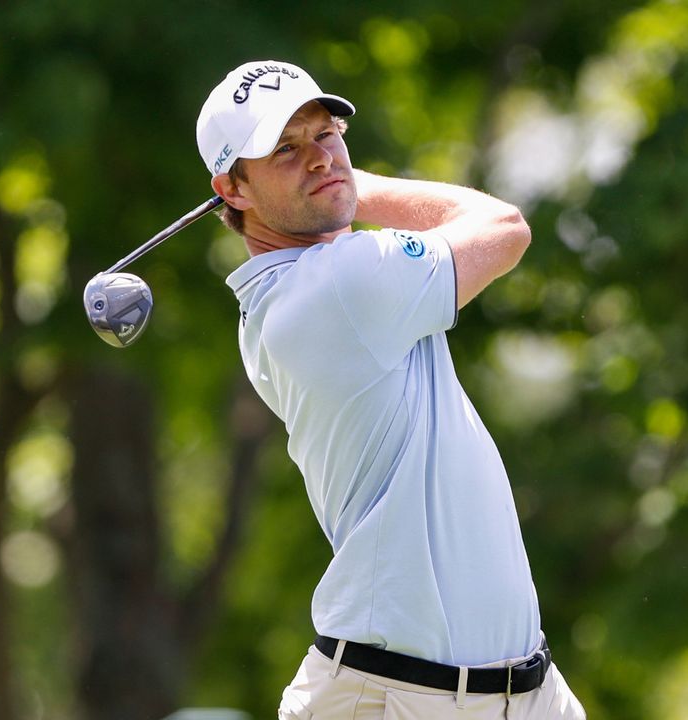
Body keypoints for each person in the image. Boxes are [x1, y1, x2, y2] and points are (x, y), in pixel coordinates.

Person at [196, 59, 586, 718]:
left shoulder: (299, 291)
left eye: (326, 135)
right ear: (233, 190)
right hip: (399, 698)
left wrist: (330, 188)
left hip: (520, 693)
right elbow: (502, 227)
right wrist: (360, 188)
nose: (319, 158)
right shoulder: (338, 286)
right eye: (285, 150)